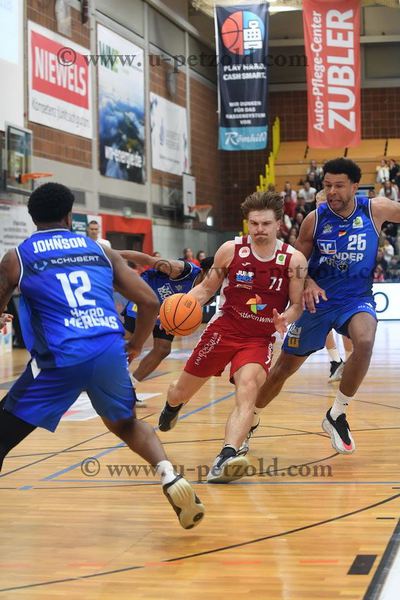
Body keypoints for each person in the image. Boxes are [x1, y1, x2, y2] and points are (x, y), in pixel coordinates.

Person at [0, 183, 204, 530]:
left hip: (60, 357)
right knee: (126, 424)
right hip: (108, 350)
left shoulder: (17, 257)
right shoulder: (99, 249)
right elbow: (149, 301)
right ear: (70, 217)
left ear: (33, 218)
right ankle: (169, 475)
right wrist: (136, 344)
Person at [248, 158, 400, 455]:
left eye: (339, 185)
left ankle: (337, 413)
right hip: (316, 303)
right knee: (282, 370)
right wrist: (307, 282)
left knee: (365, 341)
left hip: (356, 298)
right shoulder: (314, 220)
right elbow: (296, 263)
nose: (331, 191)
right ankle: (250, 418)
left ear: (355, 187)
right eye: (327, 185)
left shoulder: (375, 209)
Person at [158, 191, 307, 483]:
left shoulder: (294, 260)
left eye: (266, 224)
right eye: (254, 223)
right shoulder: (230, 250)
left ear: (279, 224)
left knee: (248, 388)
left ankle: (227, 456)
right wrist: (180, 308)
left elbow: (297, 305)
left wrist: (285, 318)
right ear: (247, 223)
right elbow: (206, 289)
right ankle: (173, 405)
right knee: (179, 390)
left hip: (259, 338)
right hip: (223, 330)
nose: (259, 229)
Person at [120, 251, 212, 405]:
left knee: (163, 348)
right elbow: (148, 259)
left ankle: (128, 387)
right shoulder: (181, 269)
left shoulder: (210, 293)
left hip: (167, 310)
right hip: (147, 295)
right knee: (127, 338)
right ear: (203, 271)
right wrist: (115, 254)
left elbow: (188, 313)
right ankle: (102, 371)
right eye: (212, 273)